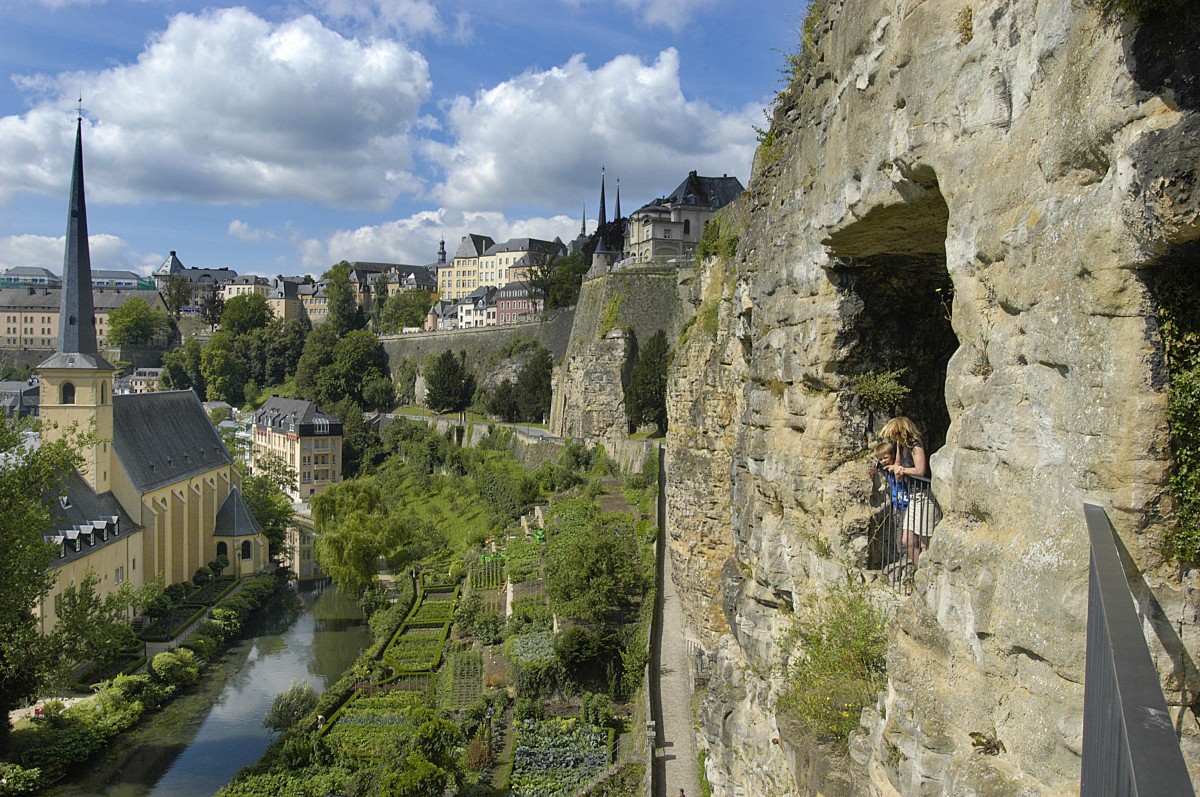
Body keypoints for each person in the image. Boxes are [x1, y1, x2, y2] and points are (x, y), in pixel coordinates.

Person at [880, 417, 938, 569]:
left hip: (925, 496)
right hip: (913, 495)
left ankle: (926, 577)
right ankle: (921, 572)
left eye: (894, 434)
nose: (892, 438)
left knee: (926, 543)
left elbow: (920, 470)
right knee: (908, 540)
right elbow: (898, 463)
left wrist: (902, 471)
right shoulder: (901, 444)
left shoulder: (915, 445)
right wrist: (897, 468)